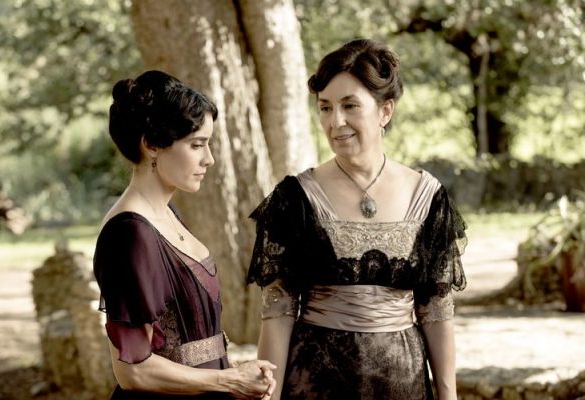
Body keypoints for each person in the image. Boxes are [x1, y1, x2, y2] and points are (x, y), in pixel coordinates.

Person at [247, 39, 467, 400]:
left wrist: (448, 395)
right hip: (315, 385)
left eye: (350, 105)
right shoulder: (294, 198)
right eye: (325, 107)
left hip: (403, 385)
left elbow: (436, 312)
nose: (336, 121)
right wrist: (267, 397)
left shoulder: (428, 197)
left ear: (385, 111)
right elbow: (278, 312)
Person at [93, 70, 276, 400]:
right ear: (151, 145)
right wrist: (229, 380)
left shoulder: (168, 214)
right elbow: (133, 371)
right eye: (197, 145)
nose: (209, 159)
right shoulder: (129, 233)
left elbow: (185, 345)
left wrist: (237, 374)